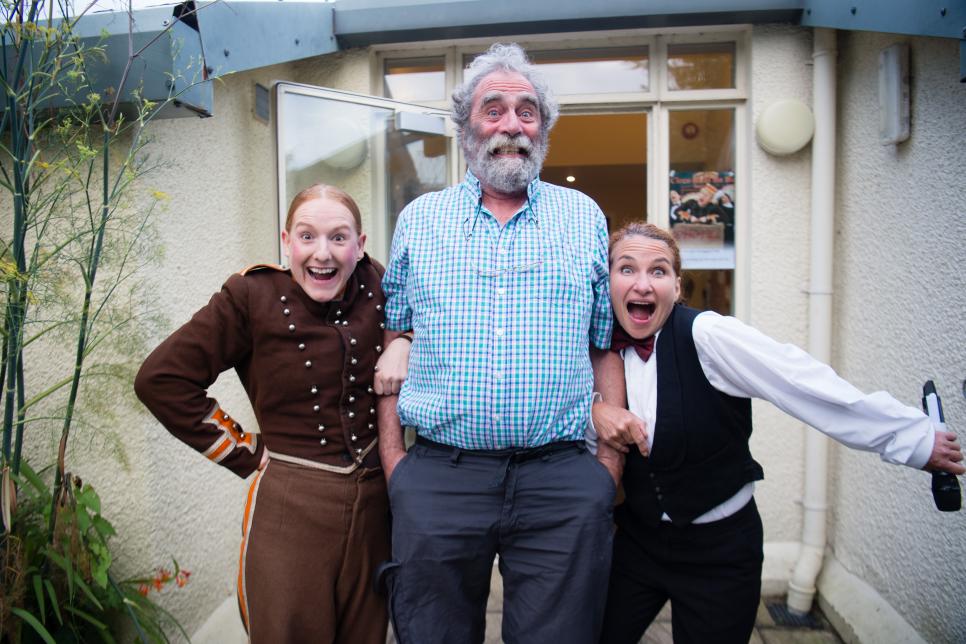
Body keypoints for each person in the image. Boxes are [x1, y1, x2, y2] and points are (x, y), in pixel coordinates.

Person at [591, 222, 964, 644]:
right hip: (639, 542)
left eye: (658, 271)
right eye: (627, 269)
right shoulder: (600, 347)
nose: (642, 283)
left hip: (720, 553)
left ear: (677, 287)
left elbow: (803, 384)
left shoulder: (709, 336)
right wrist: (595, 409)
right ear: (609, 284)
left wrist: (914, 440)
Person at [376, 43, 623, 644]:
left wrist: (607, 470)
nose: (512, 124)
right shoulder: (420, 220)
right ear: (465, 128)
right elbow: (395, 338)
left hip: (559, 482)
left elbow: (602, 345)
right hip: (440, 479)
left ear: (543, 129)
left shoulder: (583, 216)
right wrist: (396, 468)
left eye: (528, 111)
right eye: (494, 109)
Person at [135, 184, 408, 643]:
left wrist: (403, 340)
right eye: (307, 236)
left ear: (360, 246)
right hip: (289, 508)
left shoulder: (379, 285)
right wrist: (247, 452)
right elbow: (160, 379)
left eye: (339, 238)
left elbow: (435, 324)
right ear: (286, 242)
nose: (323, 253)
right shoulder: (251, 295)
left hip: (374, 510)